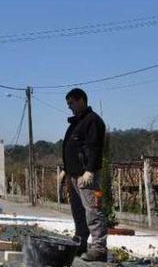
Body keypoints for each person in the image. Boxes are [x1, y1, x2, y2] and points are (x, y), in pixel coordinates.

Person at [58, 88, 108, 261]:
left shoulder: (93, 121)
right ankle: (80, 243)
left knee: (93, 212)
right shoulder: (76, 123)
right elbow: (72, 148)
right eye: (68, 104)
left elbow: (94, 147)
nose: (69, 107)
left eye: (71, 103)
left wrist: (90, 170)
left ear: (81, 100)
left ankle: (99, 248)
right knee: (78, 213)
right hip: (73, 175)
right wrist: (65, 168)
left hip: (86, 177)